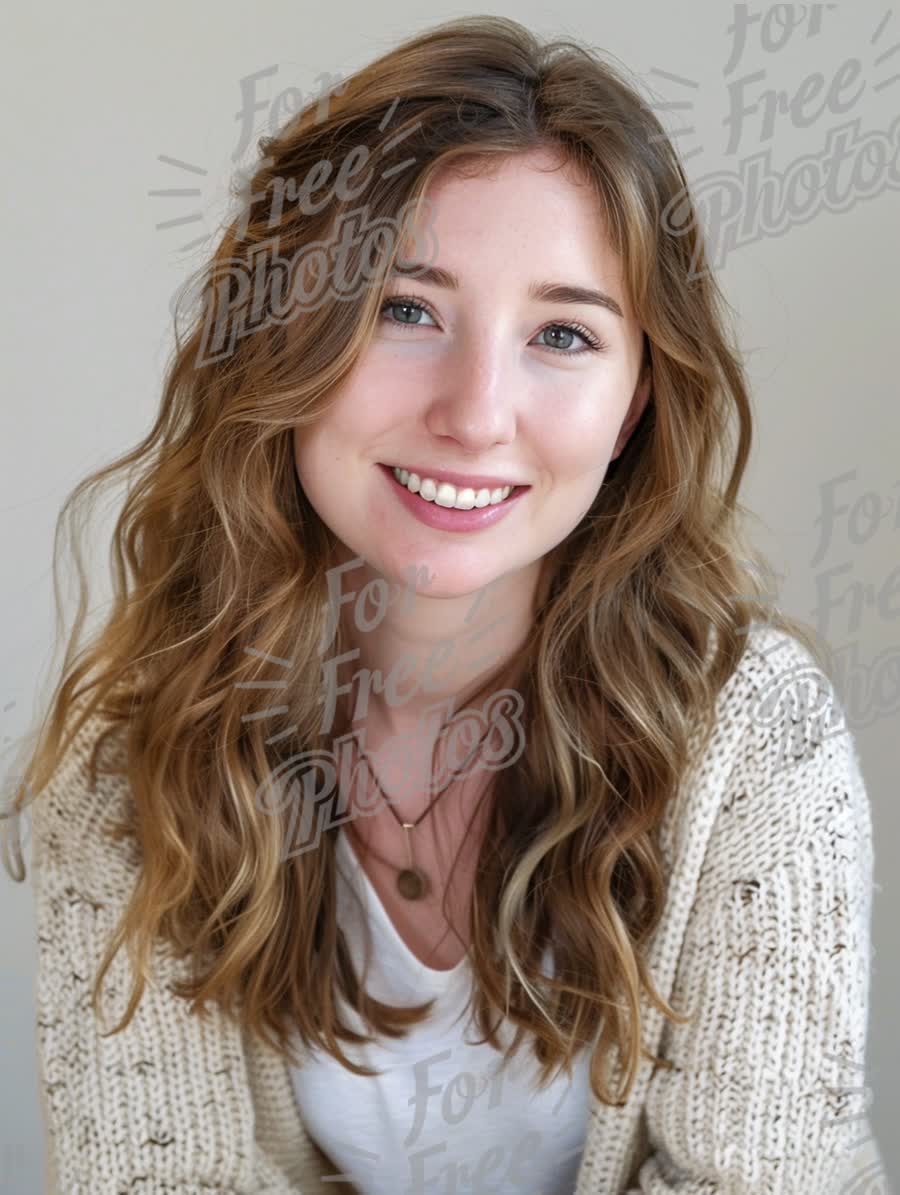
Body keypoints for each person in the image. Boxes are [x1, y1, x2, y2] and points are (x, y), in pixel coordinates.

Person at [0, 14, 880, 1195]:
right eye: (406, 309)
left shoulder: (761, 741)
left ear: (633, 407)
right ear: (285, 337)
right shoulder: (126, 762)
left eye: (563, 333)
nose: (476, 412)